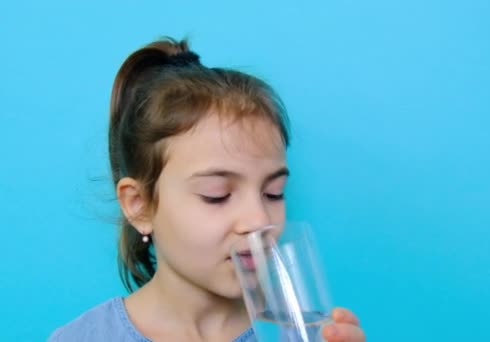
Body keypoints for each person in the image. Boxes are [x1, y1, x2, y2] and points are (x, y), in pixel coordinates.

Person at [48, 37, 365, 342]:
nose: (258, 220)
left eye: (273, 193)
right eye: (217, 195)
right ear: (139, 205)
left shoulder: (303, 332)